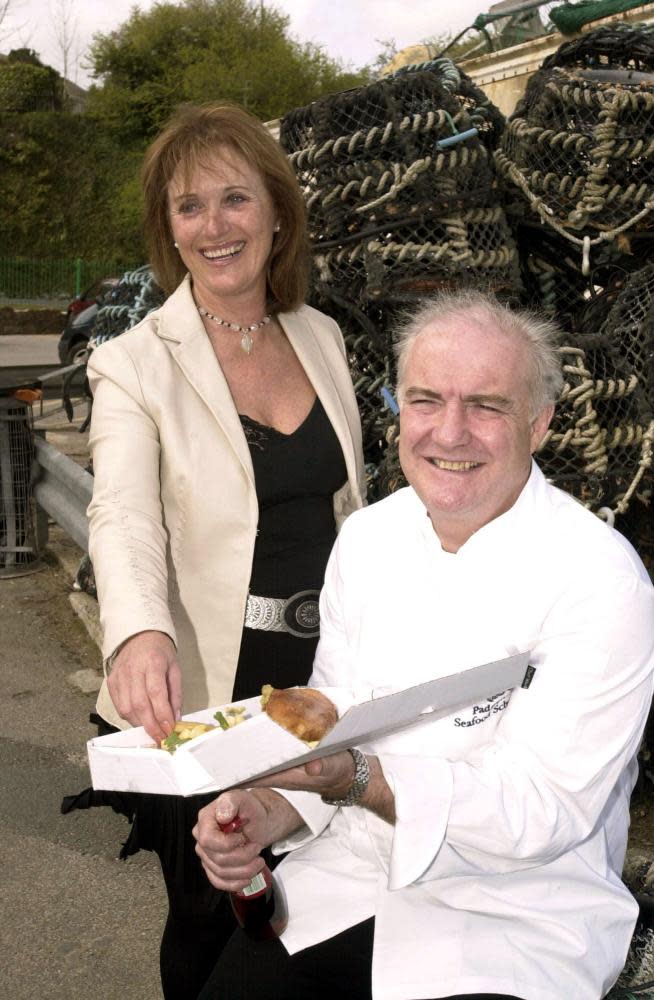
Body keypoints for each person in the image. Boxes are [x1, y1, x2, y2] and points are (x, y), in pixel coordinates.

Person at [194, 290, 654, 1000]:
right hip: (348, 882)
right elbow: (330, 714)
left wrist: (359, 779)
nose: (450, 432)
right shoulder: (368, 538)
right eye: (426, 400)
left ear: (539, 423)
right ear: (399, 410)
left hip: (512, 916)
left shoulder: (600, 577)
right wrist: (269, 809)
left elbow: (542, 810)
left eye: (486, 406)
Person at [63, 102, 365, 1000]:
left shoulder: (323, 336)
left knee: (325, 889)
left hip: (328, 670)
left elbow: (353, 506)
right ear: (168, 229)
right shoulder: (131, 362)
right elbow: (120, 513)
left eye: (235, 198)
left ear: (277, 211)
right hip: (212, 681)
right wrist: (136, 633)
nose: (213, 226)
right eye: (188, 207)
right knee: (212, 903)